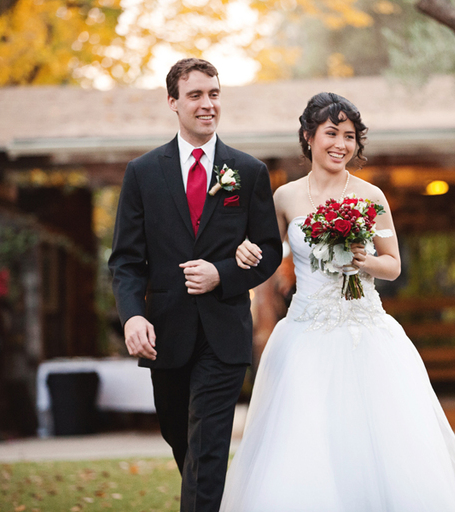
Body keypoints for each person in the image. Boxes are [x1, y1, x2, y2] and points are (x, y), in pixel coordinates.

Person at [219, 92, 455, 511]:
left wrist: (366, 260)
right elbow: (267, 256)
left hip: (368, 333)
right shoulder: (285, 198)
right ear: (308, 137)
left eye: (350, 135)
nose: (341, 144)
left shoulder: (371, 196)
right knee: (306, 438)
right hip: (306, 335)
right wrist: (243, 252)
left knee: (381, 437)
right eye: (331, 133)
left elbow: (393, 265)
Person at [108, 58, 282, 511]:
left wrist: (222, 273)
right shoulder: (142, 173)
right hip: (165, 332)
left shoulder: (249, 171)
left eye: (214, 94)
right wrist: (133, 316)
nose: (208, 104)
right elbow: (126, 260)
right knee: (181, 438)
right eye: (196, 95)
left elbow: (269, 250)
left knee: (206, 445)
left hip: (224, 334)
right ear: (173, 102)